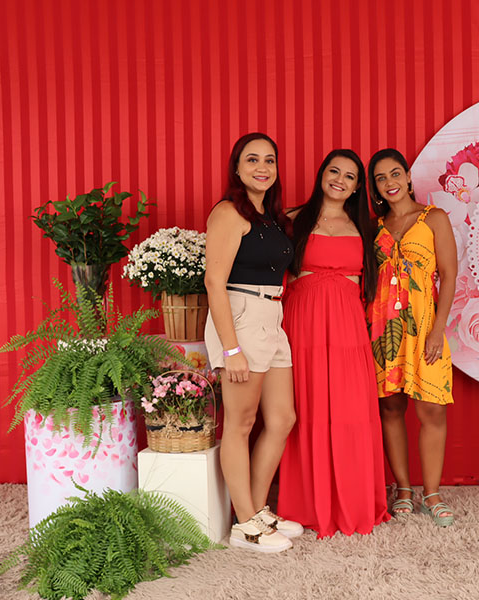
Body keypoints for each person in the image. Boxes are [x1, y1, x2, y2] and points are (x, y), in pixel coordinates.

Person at [277, 149, 391, 538]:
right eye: (334, 171)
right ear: (321, 174)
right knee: (305, 409)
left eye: (350, 176)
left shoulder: (367, 228)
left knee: (349, 410)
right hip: (302, 324)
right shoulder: (293, 220)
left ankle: (352, 501)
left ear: (358, 187)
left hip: (347, 327)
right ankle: (307, 504)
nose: (339, 180)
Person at [203, 132, 303, 553]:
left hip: (272, 315)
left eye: (269, 160)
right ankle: (245, 525)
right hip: (241, 317)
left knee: (281, 419)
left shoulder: (271, 218)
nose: (262, 167)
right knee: (240, 424)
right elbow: (214, 281)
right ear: (237, 168)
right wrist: (231, 349)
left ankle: (257, 510)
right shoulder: (229, 212)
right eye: (252, 159)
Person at [366, 148, 457, 527]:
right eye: (380, 178)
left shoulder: (433, 218)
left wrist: (438, 329)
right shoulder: (373, 227)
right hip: (382, 328)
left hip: (424, 326)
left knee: (432, 409)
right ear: (374, 187)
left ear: (407, 176)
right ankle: (403, 489)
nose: (389, 182)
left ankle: (432, 493)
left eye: (394, 174)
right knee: (390, 408)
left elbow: (449, 275)